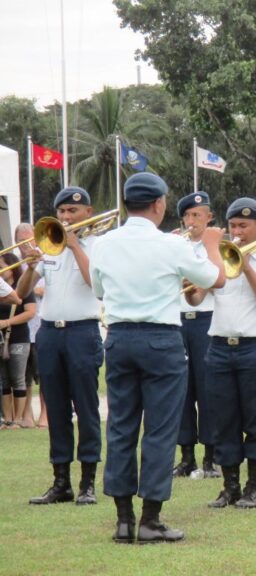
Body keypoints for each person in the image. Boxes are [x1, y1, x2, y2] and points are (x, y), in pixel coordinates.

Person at [90, 173, 225, 543]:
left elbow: (98, 288)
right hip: (161, 339)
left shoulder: (103, 243)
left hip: (118, 337)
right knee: (161, 429)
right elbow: (216, 278)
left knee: (120, 426)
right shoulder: (171, 244)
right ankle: (150, 520)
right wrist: (212, 244)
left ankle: (122, 521)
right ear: (159, 204)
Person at [188, 198, 256, 511]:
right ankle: (229, 487)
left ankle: (253, 487)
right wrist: (210, 266)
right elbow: (194, 299)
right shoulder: (218, 259)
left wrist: (245, 267)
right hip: (218, 347)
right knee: (223, 420)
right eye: (233, 226)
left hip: (254, 348)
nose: (237, 232)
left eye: (244, 226)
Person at [17, 188, 103, 506]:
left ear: (88, 213)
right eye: (62, 212)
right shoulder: (48, 243)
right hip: (50, 334)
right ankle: (61, 482)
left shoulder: (97, 244)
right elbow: (21, 293)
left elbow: (94, 281)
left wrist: (74, 243)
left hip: (83, 331)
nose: (66, 217)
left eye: (72, 211)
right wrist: (28, 266)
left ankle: (88, 483)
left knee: (87, 408)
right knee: (55, 408)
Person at [171, 191, 221, 479]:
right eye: (188, 216)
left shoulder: (218, 246)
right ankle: (186, 456)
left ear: (209, 217)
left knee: (208, 389)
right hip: (178, 320)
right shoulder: (175, 245)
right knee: (182, 390)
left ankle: (211, 457)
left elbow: (222, 279)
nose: (192, 221)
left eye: (198, 215)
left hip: (206, 320)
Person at [14, 223, 45, 429]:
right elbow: (16, 292)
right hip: (24, 330)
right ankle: (27, 414)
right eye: (22, 242)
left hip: (42, 325)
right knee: (24, 376)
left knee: (44, 374)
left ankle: (45, 414)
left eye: (29, 240)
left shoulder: (45, 256)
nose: (26, 246)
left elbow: (43, 289)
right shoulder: (14, 263)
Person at [0, 254, 36, 429]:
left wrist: (7, 322)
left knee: (18, 378)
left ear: (11, 266)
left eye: (2, 265)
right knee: (5, 379)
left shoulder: (22, 286)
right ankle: (8, 418)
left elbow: (30, 312)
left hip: (19, 338)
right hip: (2, 340)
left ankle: (19, 418)